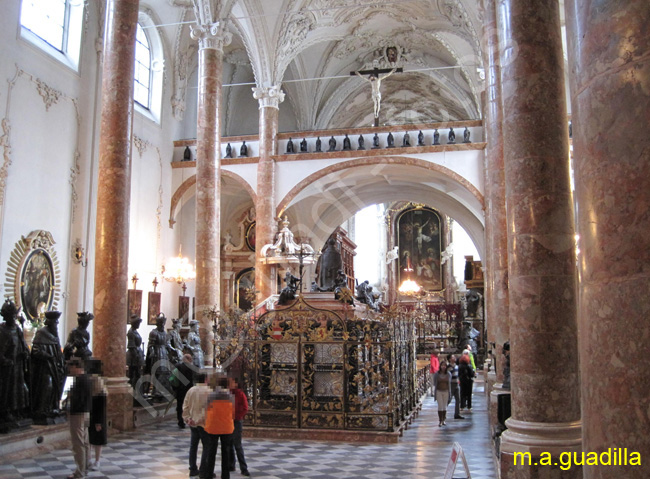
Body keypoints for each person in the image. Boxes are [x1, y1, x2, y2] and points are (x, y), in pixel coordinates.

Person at [31, 311, 66, 423]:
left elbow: (58, 351)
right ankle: (41, 410)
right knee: (47, 385)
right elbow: (35, 351)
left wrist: (60, 361)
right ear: (50, 322)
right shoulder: (41, 333)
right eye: (55, 322)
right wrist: (48, 356)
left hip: (55, 367)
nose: (56, 324)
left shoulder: (54, 334)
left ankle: (51, 408)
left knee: (54, 388)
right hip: (44, 367)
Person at [0, 300, 30, 428]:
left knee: (19, 389)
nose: (13, 318)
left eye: (14, 316)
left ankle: (16, 411)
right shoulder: (2, 331)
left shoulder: (17, 329)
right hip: (7, 368)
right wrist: (5, 360)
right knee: (7, 390)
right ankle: (6, 412)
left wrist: (25, 354)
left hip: (18, 366)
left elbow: (24, 346)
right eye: (11, 316)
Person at [203, 376, 235, 479]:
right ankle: (225, 475)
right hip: (226, 427)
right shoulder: (230, 396)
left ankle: (208, 474)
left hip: (213, 426)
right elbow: (232, 412)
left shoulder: (212, 395)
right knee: (225, 451)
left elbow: (207, 408)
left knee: (211, 451)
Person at [183, 371, 212, 479]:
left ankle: (192, 469)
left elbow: (185, 406)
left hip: (193, 423)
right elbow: (209, 410)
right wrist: (199, 420)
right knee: (207, 447)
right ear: (205, 379)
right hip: (204, 424)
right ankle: (203, 471)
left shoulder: (191, 390)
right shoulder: (209, 391)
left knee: (193, 446)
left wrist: (187, 419)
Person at [66, 357, 91, 479]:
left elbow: (78, 399)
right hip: (85, 413)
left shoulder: (80, 381)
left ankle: (80, 472)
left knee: (78, 443)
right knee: (85, 442)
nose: (70, 370)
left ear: (76, 367)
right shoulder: (87, 379)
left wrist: (70, 396)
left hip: (78, 414)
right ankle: (85, 468)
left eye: (71, 368)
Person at [87, 358, 107, 472]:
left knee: (97, 441)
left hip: (98, 419)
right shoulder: (92, 393)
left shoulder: (101, 395)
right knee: (89, 440)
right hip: (90, 418)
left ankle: (97, 460)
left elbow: (101, 409)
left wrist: (99, 422)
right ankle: (89, 459)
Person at [146, 313, 172, 399]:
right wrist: (152, 352)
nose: (162, 326)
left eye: (163, 324)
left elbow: (167, 344)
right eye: (161, 324)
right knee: (157, 373)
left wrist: (172, 350)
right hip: (157, 353)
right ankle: (156, 391)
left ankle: (163, 390)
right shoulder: (153, 333)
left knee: (165, 372)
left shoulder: (164, 333)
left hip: (164, 353)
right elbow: (150, 345)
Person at [228, 377, 250, 476]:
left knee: (237, 445)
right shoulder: (226, 393)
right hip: (228, 421)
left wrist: (238, 416)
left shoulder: (240, 394)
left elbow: (245, 407)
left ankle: (243, 468)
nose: (229, 384)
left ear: (236, 384)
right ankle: (231, 464)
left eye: (231, 382)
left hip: (236, 421)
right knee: (229, 444)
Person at [172, 353, 195, 429]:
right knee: (190, 406)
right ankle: (190, 420)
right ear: (189, 359)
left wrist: (175, 388)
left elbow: (173, 378)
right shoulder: (192, 368)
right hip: (189, 390)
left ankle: (180, 421)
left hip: (180, 390)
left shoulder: (177, 367)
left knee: (180, 406)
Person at [126, 316, 145, 392]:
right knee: (133, 374)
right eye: (138, 323)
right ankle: (133, 391)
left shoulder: (134, 331)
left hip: (137, 353)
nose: (139, 325)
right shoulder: (131, 332)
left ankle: (137, 391)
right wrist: (136, 357)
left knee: (137, 374)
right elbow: (131, 346)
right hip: (133, 356)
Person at [433, 361, 452, 426]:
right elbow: (435, 383)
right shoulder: (437, 374)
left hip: (446, 391)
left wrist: (450, 393)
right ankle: (440, 420)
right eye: (442, 365)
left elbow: (449, 384)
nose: (443, 367)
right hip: (439, 391)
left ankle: (443, 419)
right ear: (440, 366)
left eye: (445, 365)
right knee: (440, 406)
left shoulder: (448, 374)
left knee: (445, 406)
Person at [447, 354, 464, 419]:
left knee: (458, 399)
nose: (454, 358)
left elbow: (458, 375)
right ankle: (443, 411)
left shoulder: (457, 366)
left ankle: (457, 414)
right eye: (453, 357)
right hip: (451, 384)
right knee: (449, 399)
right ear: (450, 359)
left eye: (454, 357)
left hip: (457, 384)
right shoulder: (448, 367)